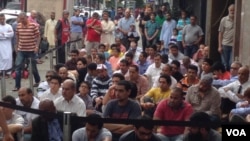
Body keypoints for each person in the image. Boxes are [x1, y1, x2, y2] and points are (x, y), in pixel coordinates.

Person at [13, 12, 41, 91]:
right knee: (17, 67)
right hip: (21, 50)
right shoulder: (18, 26)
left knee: (33, 67)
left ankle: (38, 80)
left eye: (23, 19)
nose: (21, 20)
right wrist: (17, 46)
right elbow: (17, 36)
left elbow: (38, 37)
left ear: (26, 18)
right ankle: (17, 86)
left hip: (31, 50)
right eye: (20, 19)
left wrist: (37, 47)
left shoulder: (33, 25)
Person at [218, 4, 235, 71]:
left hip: (234, 46)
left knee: (231, 63)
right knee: (225, 64)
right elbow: (220, 33)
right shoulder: (224, 20)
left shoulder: (238, 19)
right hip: (225, 44)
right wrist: (219, 46)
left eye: (234, 10)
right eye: (231, 10)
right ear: (228, 10)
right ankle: (225, 78)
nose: (232, 11)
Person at [0, 13, 14, 78]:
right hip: (1, 44)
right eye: (1, 19)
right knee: (1, 58)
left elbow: (11, 34)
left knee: (8, 58)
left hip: (8, 44)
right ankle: (1, 72)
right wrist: (6, 35)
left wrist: (4, 34)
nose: (2, 20)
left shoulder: (9, 26)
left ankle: (7, 73)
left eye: (3, 19)